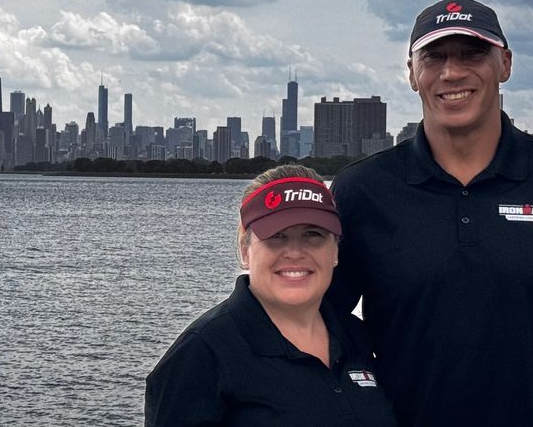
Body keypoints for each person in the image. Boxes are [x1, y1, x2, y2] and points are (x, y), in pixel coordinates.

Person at [328, 0, 533, 426]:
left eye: (473, 53)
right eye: (434, 56)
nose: (452, 72)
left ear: (505, 63)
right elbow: (313, 330)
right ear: (412, 74)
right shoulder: (362, 191)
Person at [145, 165, 396, 426]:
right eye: (276, 236)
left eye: (313, 235)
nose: (295, 252)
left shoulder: (355, 336)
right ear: (245, 250)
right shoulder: (202, 354)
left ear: (335, 251)